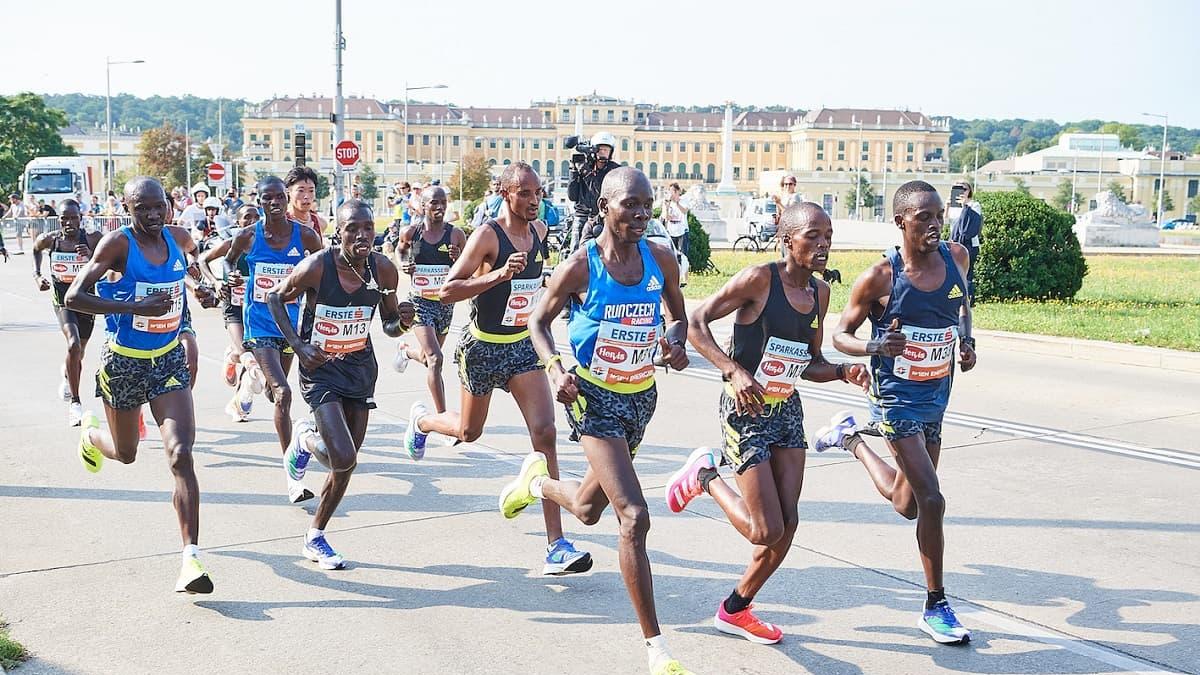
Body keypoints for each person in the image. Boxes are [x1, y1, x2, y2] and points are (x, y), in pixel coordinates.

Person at [501, 166, 694, 675]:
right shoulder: (581, 267)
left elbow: (679, 316)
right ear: (606, 206)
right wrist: (555, 369)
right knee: (633, 515)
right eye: (630, 204)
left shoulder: (661, 257)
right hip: (593, 399)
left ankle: (538, 484)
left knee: (587, 510)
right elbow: (536, 320)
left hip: (640, 399)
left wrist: (675, 342)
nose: (640, 214)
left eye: (646, 205)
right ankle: (657, 649)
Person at [669, 202, 871, 645]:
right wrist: (731, 369)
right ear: (787, 240)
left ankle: (736, 608)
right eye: (812, 236)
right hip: (745, 413)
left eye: (828, 236)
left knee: (788, 525)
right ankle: (703, 477)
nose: (823, 245)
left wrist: (841, 371)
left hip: (786, 410)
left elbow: (812, 360)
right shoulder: (759, 279)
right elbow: (696, 321)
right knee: (766, 530)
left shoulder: (820, 293)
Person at [407, 162, 591, 576]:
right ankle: (422, 422)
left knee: (545, 434)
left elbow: (538, 286)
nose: (533, 200)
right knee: (470, 433)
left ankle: (556, 544)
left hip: (522, 348)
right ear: (506, 193)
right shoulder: (488, 235)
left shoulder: (541, 232)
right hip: (482, 349)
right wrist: (497, 276)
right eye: (524, 193)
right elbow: (447, 290)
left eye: (538, 192)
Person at [819, 180, 977, 644]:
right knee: (932, 499)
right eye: (923, 217)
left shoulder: (957, 258)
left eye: (939, 215)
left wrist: (967, 342)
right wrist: (874, 345)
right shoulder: (880, 277)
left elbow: (963, 306)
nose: (934, 224)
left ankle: (849, 439)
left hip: (936, 396)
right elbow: (839, 335)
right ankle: (937, 605)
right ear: (901, 222)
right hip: (895, 399)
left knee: (907, 505)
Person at [65, 176, 219, 594]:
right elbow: (74, 297)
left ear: (169, 205)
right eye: (142, 209)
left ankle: (190, 559)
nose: (152, 215)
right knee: (126, 453)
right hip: (124, 363)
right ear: (128, 209)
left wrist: (201, 289)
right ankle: (92, 436)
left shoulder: (179, 237)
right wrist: (131, 305)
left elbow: (186, 270)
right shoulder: (117, 245)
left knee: (181, 454)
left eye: (159, 207)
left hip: (167, 359)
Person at [269, 199, 415, 569]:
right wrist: (298, 346)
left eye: (368, 228)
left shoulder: (383, 270)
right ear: (339, 233)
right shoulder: (318, 267)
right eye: (353, 229)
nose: (362, 235)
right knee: (343, 456)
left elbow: (389, 325)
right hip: (320, 370)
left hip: (359, 369)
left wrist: (405, 322)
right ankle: (303, 439)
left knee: (345, 465)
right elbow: (274, 298)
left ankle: (315, 536)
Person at [225, 176, 325, 504]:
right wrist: (232, 277)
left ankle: (250, 386)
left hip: (292, 327)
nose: (274, 203)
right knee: (283, 394)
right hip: (259, 324)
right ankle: (292, 475)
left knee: (272, 391)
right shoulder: (247, 236)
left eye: (279, 197)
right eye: (267, 198)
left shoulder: (306, 235)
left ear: (285, 198)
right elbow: (228, 262)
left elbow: (324, 269)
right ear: (260, 201)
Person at [392, 186, 466, 414]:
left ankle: (406, 352)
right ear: (423, 206)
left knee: (427, 357)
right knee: (436, 359)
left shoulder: (455, 234)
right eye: (434, 202)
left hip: (444, 303)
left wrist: (458, 258)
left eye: (443, 202)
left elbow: (467, 266)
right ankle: (443, 416)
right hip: (420, 302)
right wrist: (404, 263)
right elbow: (400, 251)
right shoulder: (411, 232)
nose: (440, 207)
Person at [32, 199, 105, 426]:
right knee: (73, 345)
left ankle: (67, 371)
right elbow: (36, 249)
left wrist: (91, 255)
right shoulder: (50, 240)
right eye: (65, 218)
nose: (69, 223)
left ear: (81, 219)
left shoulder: (93, 239)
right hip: (63, 301)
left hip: (86, 301)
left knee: (79, 351)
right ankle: (76, 403)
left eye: (74, 218)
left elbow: (110, 264)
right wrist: (38, 276)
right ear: (59, 219)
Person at [199, 205, 265, 422]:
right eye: (247, 217)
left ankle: (240, 400)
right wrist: (216, 281)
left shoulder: (268, 244)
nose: (253, 220)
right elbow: (202, 260)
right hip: (233, 305)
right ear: (238, 222)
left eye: (257, 216)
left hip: (257, 307)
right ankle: (236, 359)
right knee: (248, 351)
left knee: (252, 352)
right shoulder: (232, 243)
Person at [566, 131, 618, 252]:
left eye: (606, 149)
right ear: (593, 150)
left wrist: (587, 173)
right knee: (575, 251)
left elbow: (600, 193)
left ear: (611, 152)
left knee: (607, 250)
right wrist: (574, 172)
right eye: (600, 149)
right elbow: (572, 196)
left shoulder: (614, 170)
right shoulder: (584, 166)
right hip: (581, 215)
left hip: (602, 216)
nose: (603, 152)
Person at [948, 181, 982, 304]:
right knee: (953, 272)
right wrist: (947, 206)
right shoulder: (953, 206)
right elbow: (949, 224)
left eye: (965, 189)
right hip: (955, 243)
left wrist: (965, 206)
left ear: (970, 191)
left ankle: (969, 298)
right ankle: (955, 297)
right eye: (958, 188)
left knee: (967, 272)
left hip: (970, 244)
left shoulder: (974, 205)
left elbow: (969, 227)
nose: (962, 191)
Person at [285, 166, 328, 242]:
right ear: (289, 191)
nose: (306, 196)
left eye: (311, 191)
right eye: (301, 191)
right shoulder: (281, 222)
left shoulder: (320, 223)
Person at [662, 182, 689, 257]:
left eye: (673, 191)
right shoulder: (666, 202)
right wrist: (667, 208)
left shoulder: (684, 201)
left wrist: (677, 203)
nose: (672, 193)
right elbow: (666, 217)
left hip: (682, 231)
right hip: (671, 231)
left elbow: (684, 211)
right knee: (671, 254)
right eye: (670, 191)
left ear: (678, 191)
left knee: (683, 254)